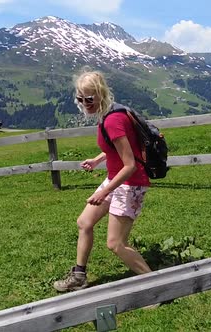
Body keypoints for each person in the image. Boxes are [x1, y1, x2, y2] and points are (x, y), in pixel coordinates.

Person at [53, 69, 152, 292]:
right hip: (115, 179)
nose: (85, 103)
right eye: (80, 98)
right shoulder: (108, 114)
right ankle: (79, 277)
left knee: (116, 243)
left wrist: (104, 192)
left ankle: (155, 285)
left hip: (130, 183)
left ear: (101, 94)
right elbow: (120, 149)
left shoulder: (112, 121)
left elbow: (130, 165)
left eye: (89, 98)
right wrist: (98, 159)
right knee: (84, 222)